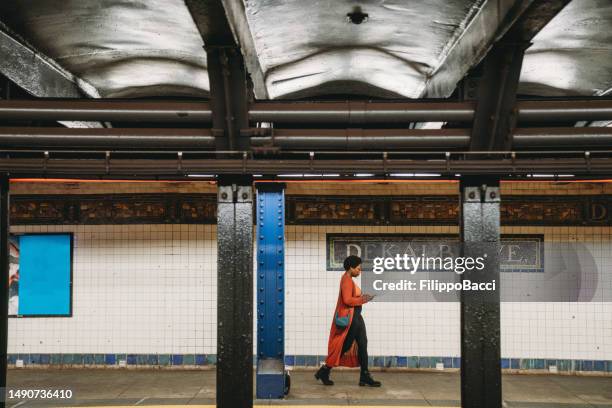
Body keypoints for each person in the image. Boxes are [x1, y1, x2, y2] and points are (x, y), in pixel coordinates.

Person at [315, 255, 381, 387]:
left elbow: (351, 298)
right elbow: (347, 300)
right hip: (351, 319)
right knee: (344, 345)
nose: (359, 271)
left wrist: (363, 297)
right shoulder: (346, 280)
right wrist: (364, 299)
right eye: (358, 268)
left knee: (362, 344)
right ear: (351, 268)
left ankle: (365, 375)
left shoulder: (349, 279)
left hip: (356, 316)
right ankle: (324, 370)